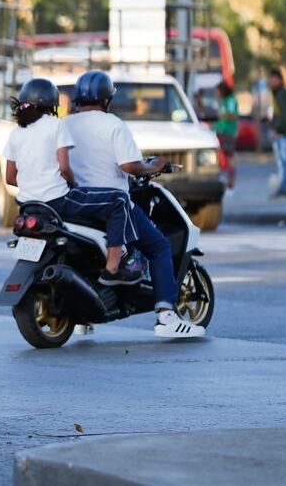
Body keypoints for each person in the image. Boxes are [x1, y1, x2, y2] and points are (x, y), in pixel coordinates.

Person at [65, 71, 205, 338]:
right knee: (159, 246)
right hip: (112, 204)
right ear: (106, 100)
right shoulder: (113, 124)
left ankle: (84, 318)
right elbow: (129, 166)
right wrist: (154, 166)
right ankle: (167, 316)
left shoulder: (66, 125)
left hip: (78, 204)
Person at [3, 78, 140, 285]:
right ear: (52, 104)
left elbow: (10, 178)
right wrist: (73, 184)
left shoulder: (16, 133)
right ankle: (113, 267)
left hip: (27, 206)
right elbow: (65, 168)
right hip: (58, 201)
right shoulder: (56, 126)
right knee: (119, 200)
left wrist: (35, 183)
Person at [268, 68, 286, 198]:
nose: (271, 81)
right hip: (283, 133)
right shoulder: (278, 93)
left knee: (284, 162)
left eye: (274, 79)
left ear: (280, 80)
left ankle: (285, 188)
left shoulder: (282, 94)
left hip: (284, 134)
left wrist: (278, 129)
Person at [214, 81, 238, 192]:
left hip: (228, 131)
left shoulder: (230, 100)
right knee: (225, 157)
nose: (216, 93)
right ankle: (228, 181)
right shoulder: (224, 101)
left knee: (229, 157)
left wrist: (221, 116)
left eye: (218, 91)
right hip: (222, 131)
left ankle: (231, 182)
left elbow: (232, 115)